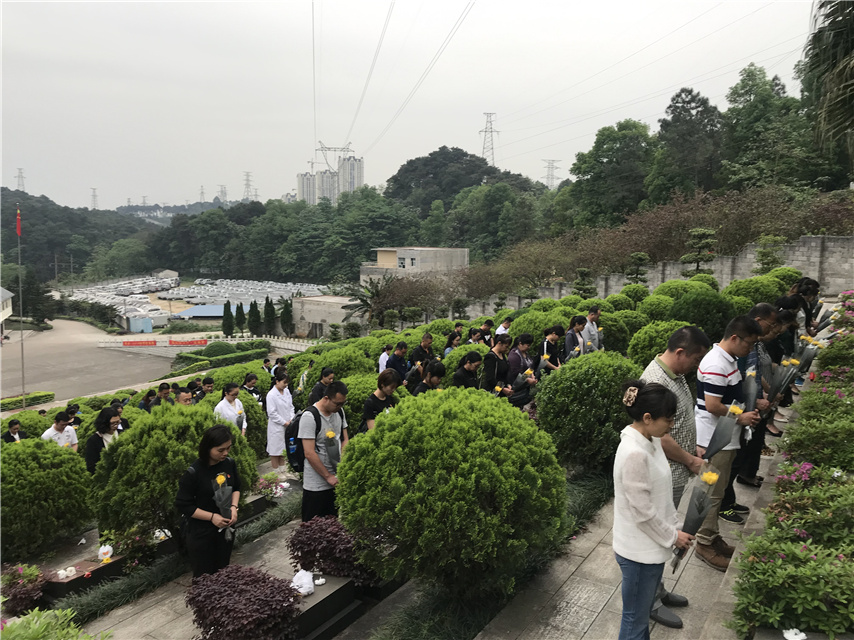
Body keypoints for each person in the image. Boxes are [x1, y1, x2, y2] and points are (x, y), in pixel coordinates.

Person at [640, 326, 711, 629]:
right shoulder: (656, 381)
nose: (697, 366)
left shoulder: (676, 375)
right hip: (663, 473)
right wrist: (691, 460)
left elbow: (678, 423)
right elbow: (661, 437)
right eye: (696, 359)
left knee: (664, 534)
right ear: (680, 352)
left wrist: (692, 446)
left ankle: (658, 589)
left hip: (675, 471)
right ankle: (649, 601)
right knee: (655, 539)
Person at [613, 380, 694, 640]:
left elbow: (659, 496)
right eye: (668, 419)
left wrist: (675, 528)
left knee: (639, 617)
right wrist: (673, 537)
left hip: (651, 545)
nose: (672, 424)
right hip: (638, 553)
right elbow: (643, 512)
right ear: (648, 418)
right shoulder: (634, 453)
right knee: (635, 621)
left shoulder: (652, 439)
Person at [693, 316, 761, 571]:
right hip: (714, 439)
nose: (750, 349)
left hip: (725, 436)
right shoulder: (715, 363)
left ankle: (712, 536)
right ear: (734, 337)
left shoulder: (727, 360)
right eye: (749, 344)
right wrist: (740, 416)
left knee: (718, 491)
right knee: (710, 493)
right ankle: (704, 543)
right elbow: (712, 405)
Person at [175, 425, 242, 578]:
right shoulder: (194, 473)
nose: (225, 453)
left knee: (224, 572)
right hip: (202, 533)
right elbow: (184, 505)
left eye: (228, 448)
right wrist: (212, 517)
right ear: (207, 448)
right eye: (220, 450)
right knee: (204, 577)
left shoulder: (229, 463)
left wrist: (233, 507)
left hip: (226, 529)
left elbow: (237, 487)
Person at [732, 304, 779, 489]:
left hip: (755, 400)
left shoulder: (755, 342)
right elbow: (740, 376)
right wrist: (754, 400)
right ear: (759, 320)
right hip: (744, 405)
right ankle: (740, 479)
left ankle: (747, 474)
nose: (772, 328)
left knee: (754, 442)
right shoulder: (743, 343)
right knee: (742, 450)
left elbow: (755, 372)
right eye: (771, 324)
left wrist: (767, 391)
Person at [300, 380, 349, 522]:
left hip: (336, 479)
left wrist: (342, 466)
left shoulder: (339, 412)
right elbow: (309, 453)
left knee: (334, 524)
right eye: (337, 404)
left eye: (342, 404)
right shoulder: (310, 417)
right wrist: (328, 477)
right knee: (313, 525)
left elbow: (344, 439)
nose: (339, 407)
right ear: (326, 398)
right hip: (316, 484)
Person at [266, 370, 294, 476]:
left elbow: (291, 406)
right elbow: (272, 413)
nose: (286, 385)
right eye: (284, 382)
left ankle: (284, 470)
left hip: (288, 424)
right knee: (275, 450)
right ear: (277, 381)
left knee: (283, 449)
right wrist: (284, 422)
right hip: (276, 426)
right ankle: (276, 472)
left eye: (287, 383)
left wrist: (291, 418)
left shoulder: (286, 391)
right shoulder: (271, 395)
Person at [85, 407, 121, 474]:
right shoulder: (94, 440)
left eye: (117, 422)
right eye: (113, 423)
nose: (116, 426)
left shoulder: (122, 433)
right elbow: (91, 466)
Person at [507, 334, 538, 408]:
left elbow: (529, 366)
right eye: (528, 345)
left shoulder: (525, 353)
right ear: (520, 344)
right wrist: (528, 379)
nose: (529, 347)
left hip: (525, 387)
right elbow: (516, 372)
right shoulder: (514, 355)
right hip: (516, 387)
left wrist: (532, 376)